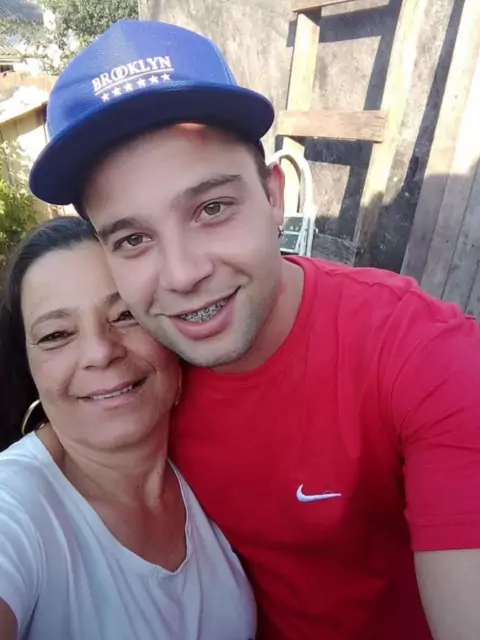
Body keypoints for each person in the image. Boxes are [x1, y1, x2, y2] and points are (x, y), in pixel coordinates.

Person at [28, 18, 480, 640]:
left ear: (273, 198)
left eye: (212, 208)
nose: (183, 275)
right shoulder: (140, 372)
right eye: (133, 239)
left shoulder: (419, 355)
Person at [0, 215, 256, 640]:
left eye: (125, 314)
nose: (100, 352)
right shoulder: (15, 506)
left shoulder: (212, 465)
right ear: (28, 366)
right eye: (56, 335)